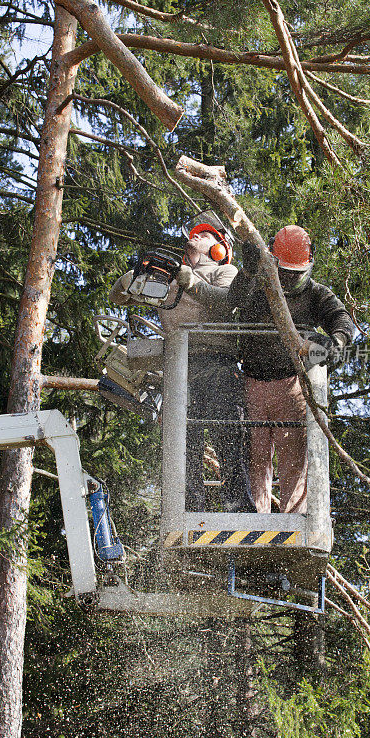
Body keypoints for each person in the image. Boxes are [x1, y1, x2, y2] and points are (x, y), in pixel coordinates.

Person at [109, 211, 255, 513]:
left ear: (219, 247)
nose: (196, 236)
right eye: (194, 232)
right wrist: (138, 273)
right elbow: (118, 297)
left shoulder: (223, 272)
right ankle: (190, 506)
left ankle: (237, 504)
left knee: (228, 434)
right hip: (178, 368)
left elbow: (225, 301)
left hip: (217, 364)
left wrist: (189, 279)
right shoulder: (169, 280)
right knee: (183, 441)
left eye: (205, 234)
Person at [228, 225, 355, 513]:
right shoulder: (256, 284)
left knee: (295, 455)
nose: (288, 277)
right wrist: (247, 271)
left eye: (294, 272)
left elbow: (341, 318)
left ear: (308, 266)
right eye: (283, 270)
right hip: (251, 380)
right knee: (254, 455)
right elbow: (232, 302)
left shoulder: (315, 294)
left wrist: (336, 341)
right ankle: (254, 519)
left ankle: (294, 520)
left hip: (292, 383)